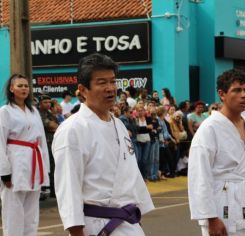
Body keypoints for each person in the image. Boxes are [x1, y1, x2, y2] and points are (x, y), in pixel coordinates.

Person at [52, 53, 154, 236]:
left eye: (113, 81)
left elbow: (130, 175)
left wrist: (137, 215)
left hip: (128, 223)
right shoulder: (72, 129)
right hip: (96, 225)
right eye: (101, 83)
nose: (110, 88)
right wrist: (76, 231)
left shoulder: (119, 124)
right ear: (83, 90)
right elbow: (68, 187)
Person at [188, 69, 245, 236]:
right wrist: (210, 218)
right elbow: (199, 176)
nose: (244, 95)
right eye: (237, 90)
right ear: (222, 94)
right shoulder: (209, 129)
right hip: (222, 207)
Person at [0, 74, 50, 236]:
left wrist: (46, 168)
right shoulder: (5, 111)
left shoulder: (33, 111)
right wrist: (4, 171)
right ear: (11, 89)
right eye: (20, 86)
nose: (24, 89)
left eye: (26, 86)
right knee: (13, 212)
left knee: (31, 214)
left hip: (34, 162)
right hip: (15, 162)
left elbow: (41, 139)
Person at [38, 94, 59, 198]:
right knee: (48, 166)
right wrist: (54, 126)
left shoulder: (49, 113)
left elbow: (57, 125)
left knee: (54, 166)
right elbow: (50, 125)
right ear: (40, 103)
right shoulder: (39, 113)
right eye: (45, 102)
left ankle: (53, 189)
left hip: (52, 142)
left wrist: (54, 126)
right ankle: (48, 188)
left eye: (49, 102)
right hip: (45, 143)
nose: (48, 104)